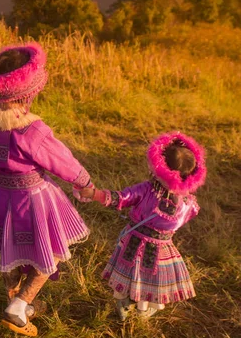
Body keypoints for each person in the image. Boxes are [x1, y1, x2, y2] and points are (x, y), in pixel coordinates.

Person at [0, 42, 93, 336]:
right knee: (50, 253)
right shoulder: (31, 130)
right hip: (34, 200)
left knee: (8, 251)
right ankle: (20, 305)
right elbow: (63, 161)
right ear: (28, 91)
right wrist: (85, 182)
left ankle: (13, 300)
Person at [79, 132, 206, 320]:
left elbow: (120, 198)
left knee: (130, 271)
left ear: (160, 167)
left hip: (134, 239)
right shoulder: (189, 203)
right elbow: (182, 220)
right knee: (150, 278)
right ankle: (143, 310)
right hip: (162, 246)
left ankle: (124, 304)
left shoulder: (147, 189)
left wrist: (94, 194)